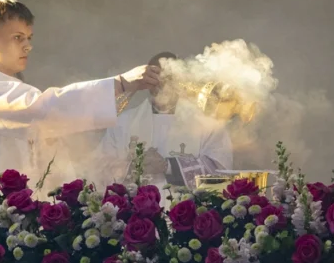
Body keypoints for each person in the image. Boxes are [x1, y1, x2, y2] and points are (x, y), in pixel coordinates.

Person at [0, 0, 161, 184]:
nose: (27, 46)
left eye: (29, 38)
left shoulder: (24, 91)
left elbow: (58, 154)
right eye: (18, 37)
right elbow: (42, 111)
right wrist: (121, 83)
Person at [96, 51, 234, 193]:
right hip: (135, 212)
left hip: (189, 212)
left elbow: (220, 171)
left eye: (168, 76)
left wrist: (168, 166)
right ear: (146, 82)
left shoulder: (206, 123)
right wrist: (131, 168)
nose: (161, 82)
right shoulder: (123, 122)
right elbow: (100, 167)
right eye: (154, 76)